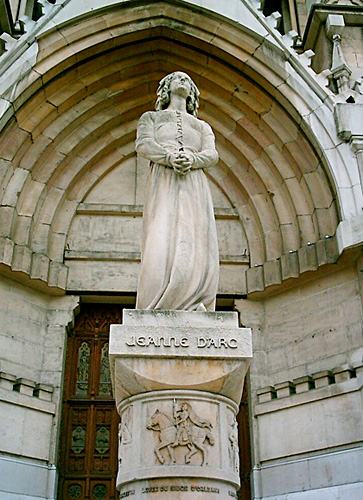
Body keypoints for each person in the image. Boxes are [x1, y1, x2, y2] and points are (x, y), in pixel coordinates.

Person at [135, 72, 219, 311]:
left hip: (194, 182)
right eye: (177, 78)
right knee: (161, 235)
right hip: (164, 179)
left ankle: (194, 299)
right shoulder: (151, 118)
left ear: (192, 91)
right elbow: (143, 144)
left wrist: (193, 160)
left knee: (195, 235)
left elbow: (212, 154)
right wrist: (169, 157)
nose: (182, 80)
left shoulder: (202, 126)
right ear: (166, 87)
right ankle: (157, 301)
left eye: (187, 79)